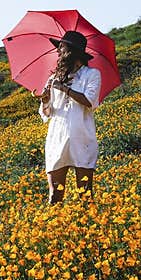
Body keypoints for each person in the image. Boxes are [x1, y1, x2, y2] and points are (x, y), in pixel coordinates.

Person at [32, 30, 102, 205]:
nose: (58, 52)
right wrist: (46, 100)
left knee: (85, 193)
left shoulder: (91, 75)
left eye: (61, 48)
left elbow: (89, 101)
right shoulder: (53, 78)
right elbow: (47, 114)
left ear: (71, 51)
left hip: (82, 138)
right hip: (57, 137)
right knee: (55, 194)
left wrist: (64, 89)